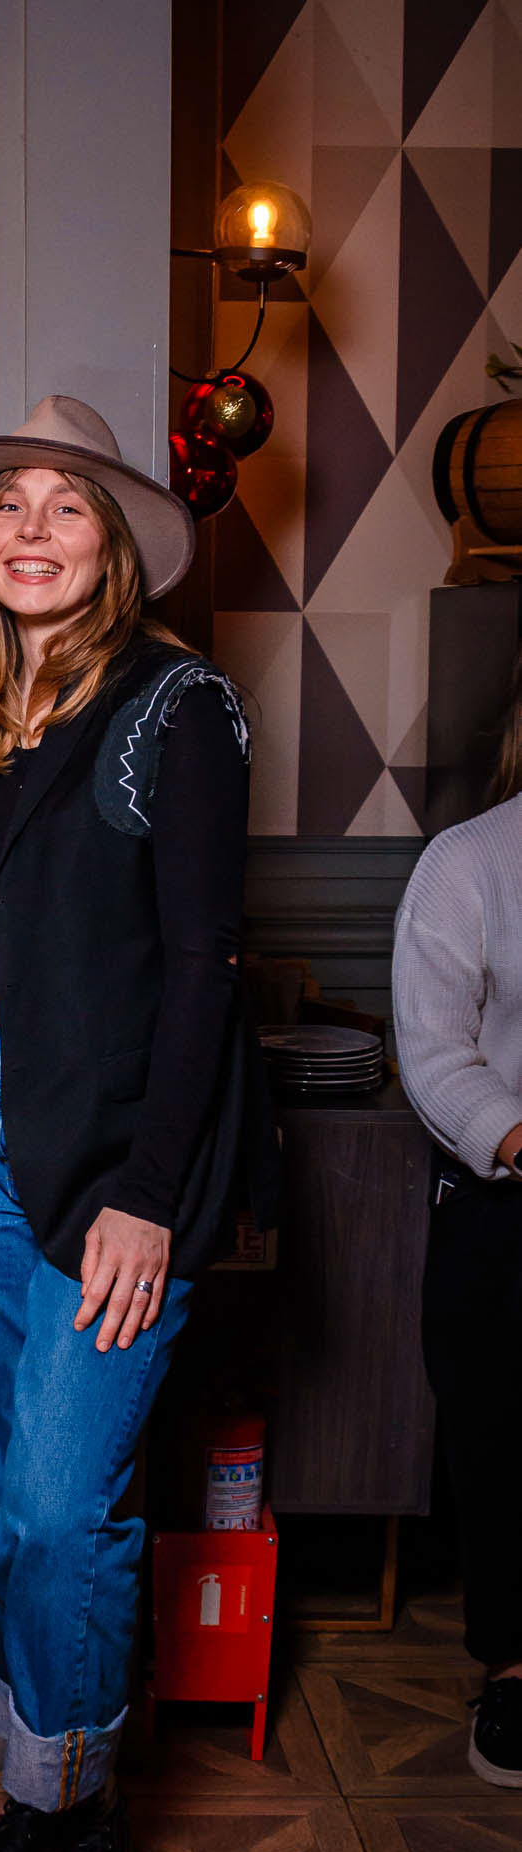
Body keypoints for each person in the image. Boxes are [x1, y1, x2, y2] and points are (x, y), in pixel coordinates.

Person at [0, 394, 277, 1852]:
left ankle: (85, 1827)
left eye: (67, 503)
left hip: (116, 1151)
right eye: (9, 503)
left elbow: (202, 967)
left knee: (65, 1506)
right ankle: (37, 1793)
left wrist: (145, 1196)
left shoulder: (177, 705)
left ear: (114, 544)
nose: (32, 527)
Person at [393, 651, 522, 1788]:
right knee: (504, 1452)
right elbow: (434, 1054)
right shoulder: (469, 860)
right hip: (504, 1213)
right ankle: (514, 1673)